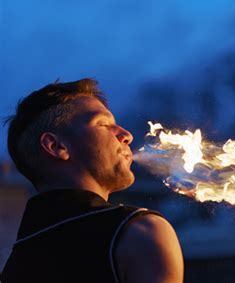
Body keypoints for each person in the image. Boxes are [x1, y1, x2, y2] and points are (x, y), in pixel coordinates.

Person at [1, 79, 184, 283]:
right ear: (55, 146)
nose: (126, 135)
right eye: (104, 124)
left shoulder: (16, 264)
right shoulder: (137, 232)